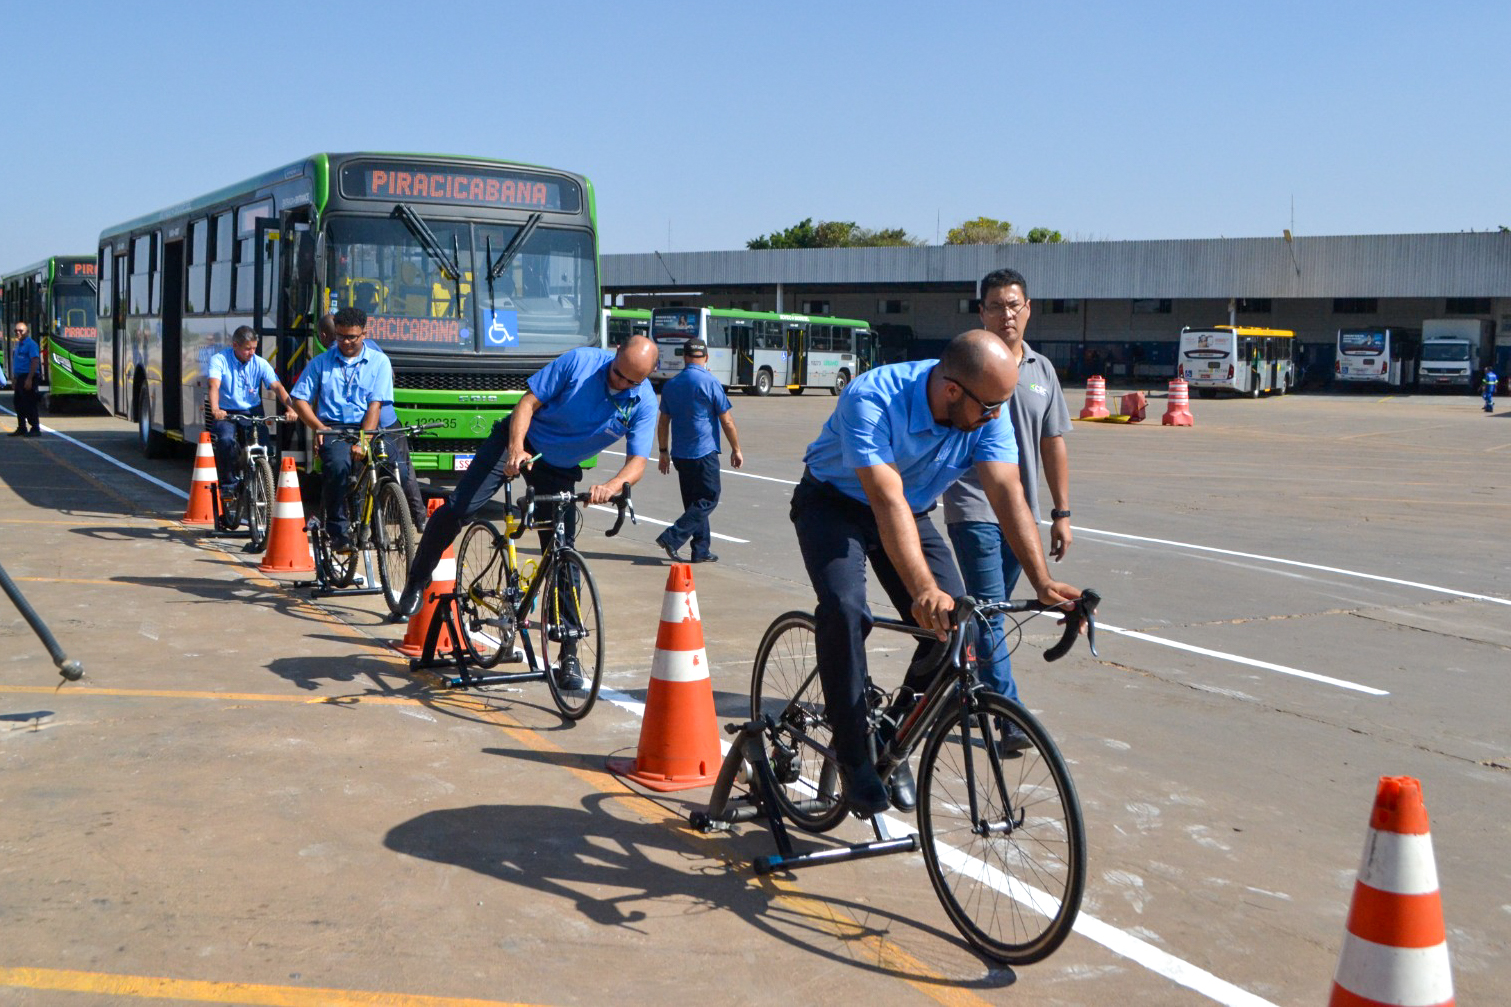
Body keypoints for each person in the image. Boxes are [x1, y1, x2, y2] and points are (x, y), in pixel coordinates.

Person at [792, 330, 1081, 816]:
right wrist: (923, 590)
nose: (996, 416)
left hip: (911, 509)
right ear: (952, 391)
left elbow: (1007, 492)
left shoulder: (987, 405)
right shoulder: (874, 397)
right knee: (845, 610)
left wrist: (1042, 581)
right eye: (989, 408)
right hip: (835, 504)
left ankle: (891, 735)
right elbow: (885, 499)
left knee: (956, 625)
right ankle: (853, 752)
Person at [398, 336, 660, 623]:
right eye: (618, 374)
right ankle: (418, 579)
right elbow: (527, 403)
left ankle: (566, 644)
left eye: (631, 382)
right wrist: (516, 448)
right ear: (617, 349)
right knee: (461, 507)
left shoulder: (643, 401)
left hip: (559, 465)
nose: (621, 384)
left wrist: (611, 487)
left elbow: (638, 461)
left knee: (562, 551)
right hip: (520, 440)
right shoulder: (580, 363)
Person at [943, 270, 1073, 752]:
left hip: (1023, 514)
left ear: (1029, 308)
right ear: (981, 313)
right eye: (996, 306)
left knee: (981, 614)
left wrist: (1061, 512)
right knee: (993, 613)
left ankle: (962, 686)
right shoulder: (966, 362)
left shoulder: (1042, 371)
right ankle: (1009, 716)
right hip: (974, 505)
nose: (1006, 314)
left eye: (1014, 305)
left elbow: (1053, 442)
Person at [289, 307, 394, 552]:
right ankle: (338, 532)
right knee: (337, 467)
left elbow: (375, 405)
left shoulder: (379, 362)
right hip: (334, 428)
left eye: (352, 337)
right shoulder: (321, 362)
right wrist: (320, 428)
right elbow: (299, 399)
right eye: (341, 336)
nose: (346, 342)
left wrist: (364, 441)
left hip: (367, 426)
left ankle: (379, 523)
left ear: (364, 334)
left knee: (392, 463)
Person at [318, 314, 426, 532]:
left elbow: (326, 397)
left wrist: (321, 428)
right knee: (402, 469)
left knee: (359, 473)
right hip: (388, 419)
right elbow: (391, 377)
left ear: (322, 336)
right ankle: (420, 518)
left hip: (366, 423)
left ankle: (367, 527)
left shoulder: (330, 357)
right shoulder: (373, 348)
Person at [654, 338, 744, 563]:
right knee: (709, 498)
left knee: (694, 502)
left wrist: (663, 451)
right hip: (704, 452)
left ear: (684, 357)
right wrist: (736, 449)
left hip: (681, 454)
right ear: (706, 357)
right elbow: (727, 421)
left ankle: (701, 550)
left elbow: (663, 422)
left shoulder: (671, 385)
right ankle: (672, 537)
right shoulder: (710, 382)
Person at [206, 327, 296, 496]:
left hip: (252, 410)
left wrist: (291, 408)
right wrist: (216, 409)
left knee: (266, 449)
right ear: (235, 345)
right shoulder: (220, 360)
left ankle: (264, 484)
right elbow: (213, 385)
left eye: (254, 348)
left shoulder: (259, 362)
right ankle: (229, 484)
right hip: (226, 411)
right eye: (248, 348)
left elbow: (277, 387)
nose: (252, 352)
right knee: (225, 441)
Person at [8, 323, 43, 437]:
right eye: (16, 331)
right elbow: (17, 362)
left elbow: (35, 361)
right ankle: (22, 427)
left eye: (21, 331)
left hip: (29, 376)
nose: (18, 333)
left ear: (27, 332)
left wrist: (29, 379)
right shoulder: (18, 344)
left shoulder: (31, 344)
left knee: (29, 403)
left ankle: (35, 428)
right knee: (18, 403)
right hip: (20, 377)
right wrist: (14, 378)